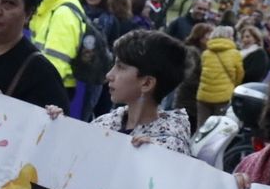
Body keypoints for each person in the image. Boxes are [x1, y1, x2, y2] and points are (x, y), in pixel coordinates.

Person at [57, 29, 192, 154]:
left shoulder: (168, 147)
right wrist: (56, 126)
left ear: (147, 83)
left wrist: (151, 160)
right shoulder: (106, 123)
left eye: (121, 67)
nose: (109, 75)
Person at [28, 0, 92, 118]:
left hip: (54, 86)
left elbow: (57, 58)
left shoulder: (63, 12)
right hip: (53, 83)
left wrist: (41, 86)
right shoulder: (58, 7)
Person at [195, 24, 244, 128]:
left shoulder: (206, 53)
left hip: (203, 96)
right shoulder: (235, 54)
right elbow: (239, 76)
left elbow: (200, 72)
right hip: (223, 97)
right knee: (217, 130)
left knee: (202, 127)